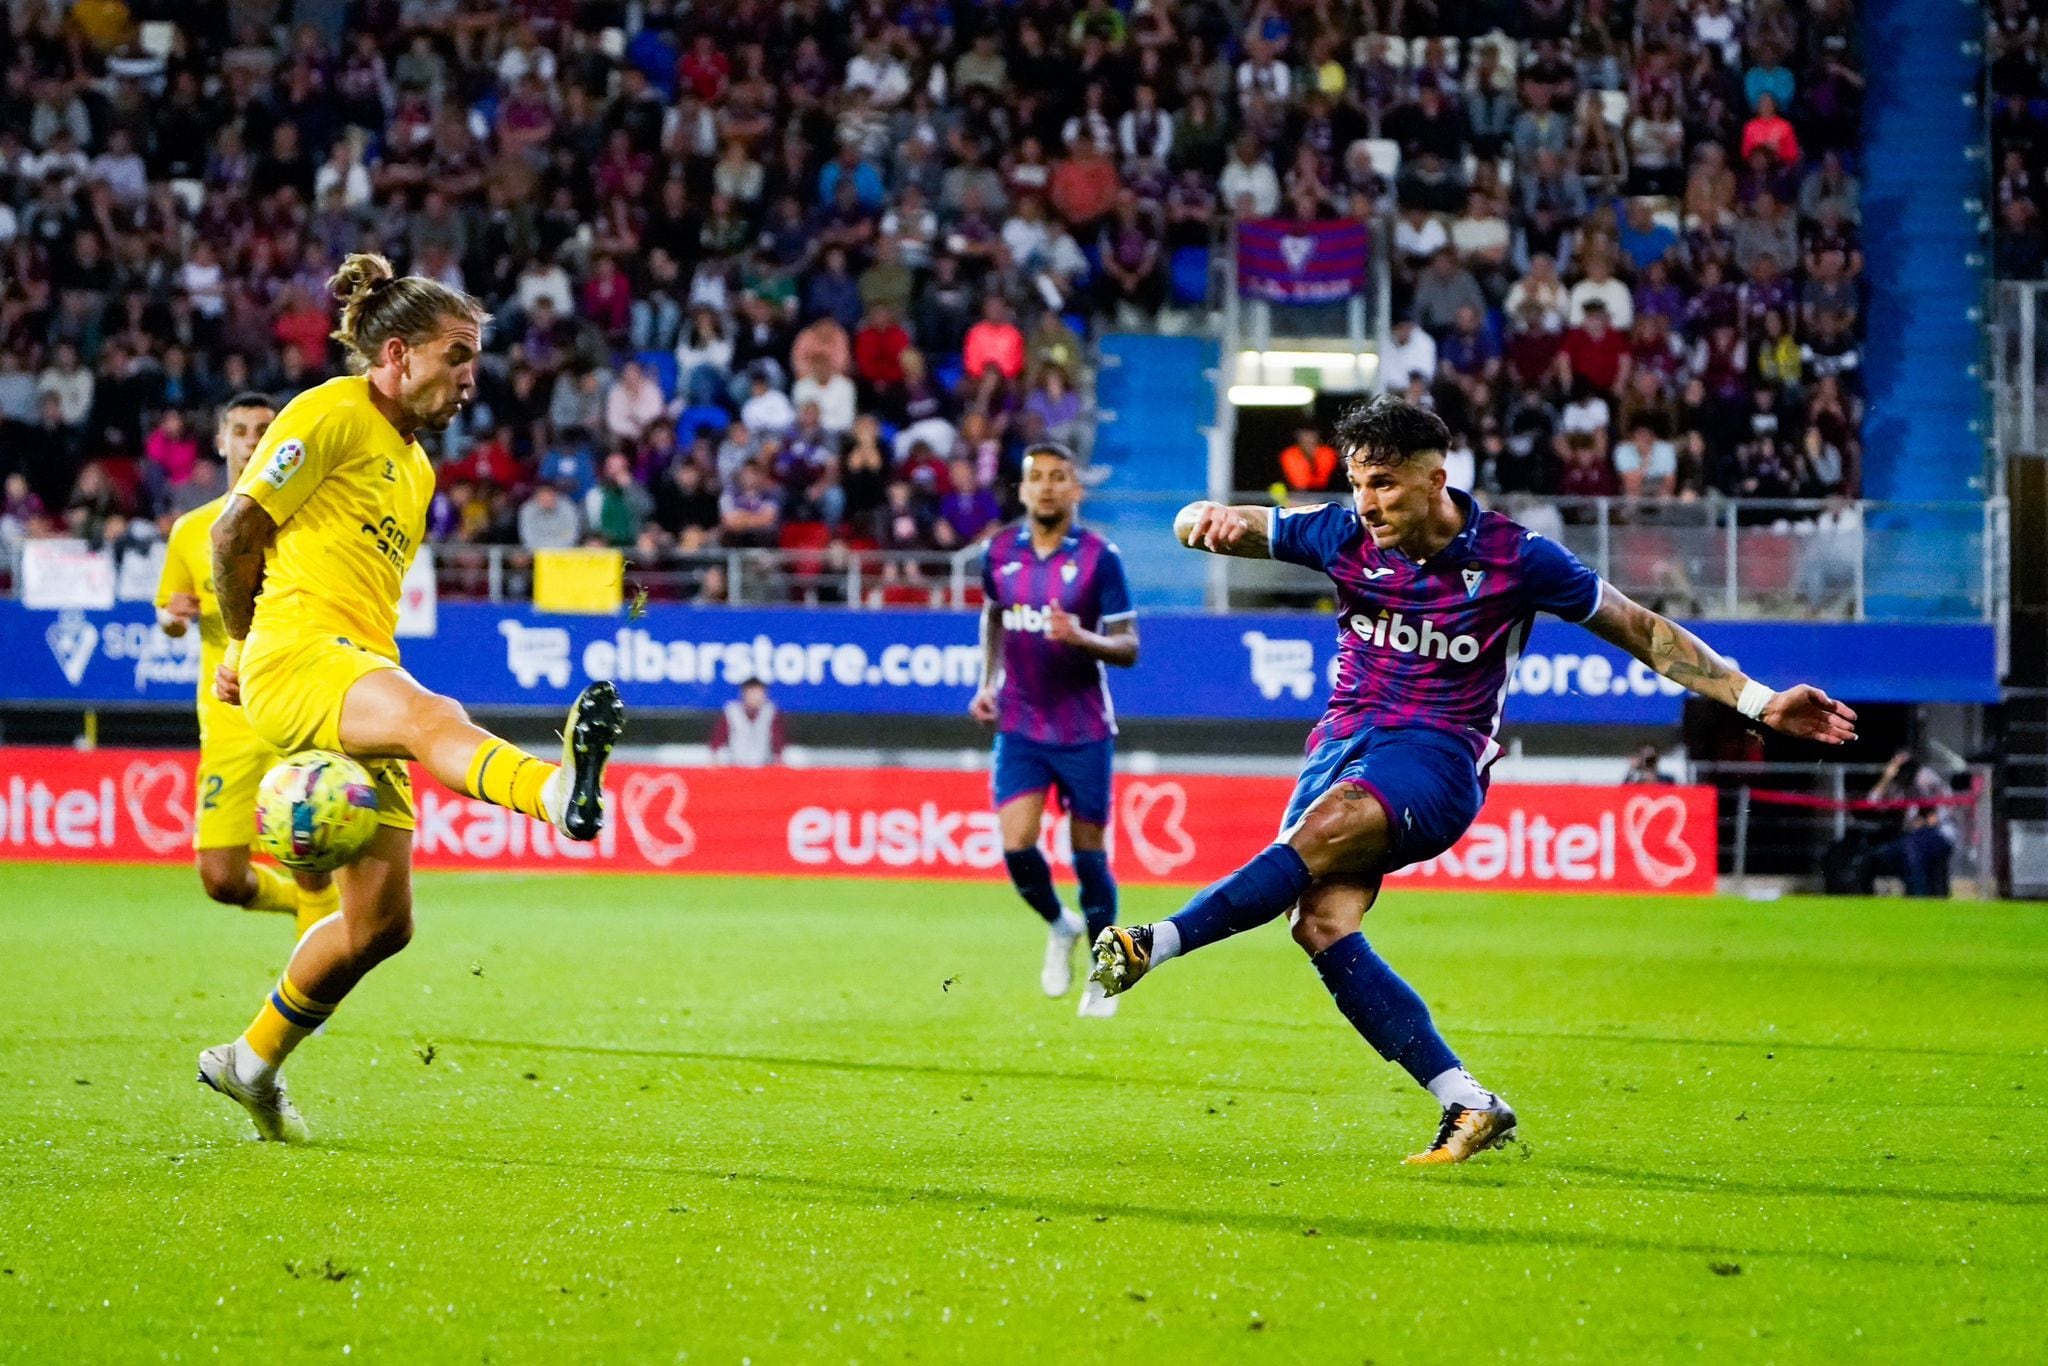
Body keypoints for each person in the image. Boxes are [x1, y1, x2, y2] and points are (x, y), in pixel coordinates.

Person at [1091, 396, 1856, 1162]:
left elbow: (1645, 632)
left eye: (1385, 483)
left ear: (1436, 478)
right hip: (1342, 744)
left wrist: (1758, 701)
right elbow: (1207, 520)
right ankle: (1467, 1102)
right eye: (1358, 482)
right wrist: (1203, 519)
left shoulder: (1518, 558)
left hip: (1437, 755)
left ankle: (1153, 943)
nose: (1368, 501)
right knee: (1320, 924)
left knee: (1329, 827)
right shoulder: (1336, 530)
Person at [198, 254, 627, 1142]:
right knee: (435, 718)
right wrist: (241, 646)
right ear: (396, 354)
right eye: (457, 356)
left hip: (355, 657)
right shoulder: (330, 411)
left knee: (380, 926)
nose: (472, 378)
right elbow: (238, 527)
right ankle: (556, 792)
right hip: (298, 655)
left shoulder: (418, 468)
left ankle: (251, 1062)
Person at [154, 392, 335, 937]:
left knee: (309, 857)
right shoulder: (192, 530)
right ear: (221, 441)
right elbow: (170, 610)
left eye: (264, 428)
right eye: (240, 430)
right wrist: (172, 619)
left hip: (294, 709)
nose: (253, 440)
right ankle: (320, 915)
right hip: (227, 723)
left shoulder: (306, 522)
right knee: (222, 879)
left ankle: (316, 979)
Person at [969, 441, 1140, 1018]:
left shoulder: (1100, 558)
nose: (1045, 486)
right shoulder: (997, 553)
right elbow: (994, 615)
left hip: (1084, 727)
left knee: (1088, 856)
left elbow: (1129, 646)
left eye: (1057, 476)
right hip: (1019, 723)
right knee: (1016, 847)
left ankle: (1106, 974)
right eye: (1035, 476)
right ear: (1022, 489)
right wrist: (986, 681)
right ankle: (1060, 925)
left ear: (1075, 489)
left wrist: (1082, 638)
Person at [1868, 750, 1956, 898]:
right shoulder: (1898, 783)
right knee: (1884, 854)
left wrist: (1932, 819)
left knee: (1912, 848)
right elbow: (1873, 802)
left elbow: (1949, 800)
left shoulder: (1925, 777)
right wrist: (1887, 777)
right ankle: (1913, 889)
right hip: (1911, 836)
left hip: (1939, 833)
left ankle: (1920, 896)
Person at [710, 679, 786, 767]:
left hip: (764, 763)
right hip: (735, 763)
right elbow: (718, 740)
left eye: (759, 692)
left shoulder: (770, 711)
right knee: (719, 755)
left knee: (792, 755)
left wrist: (778, 758)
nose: (755, 696)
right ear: (743, 693)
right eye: (751, 692)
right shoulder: (732, 710)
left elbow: (778, 740)